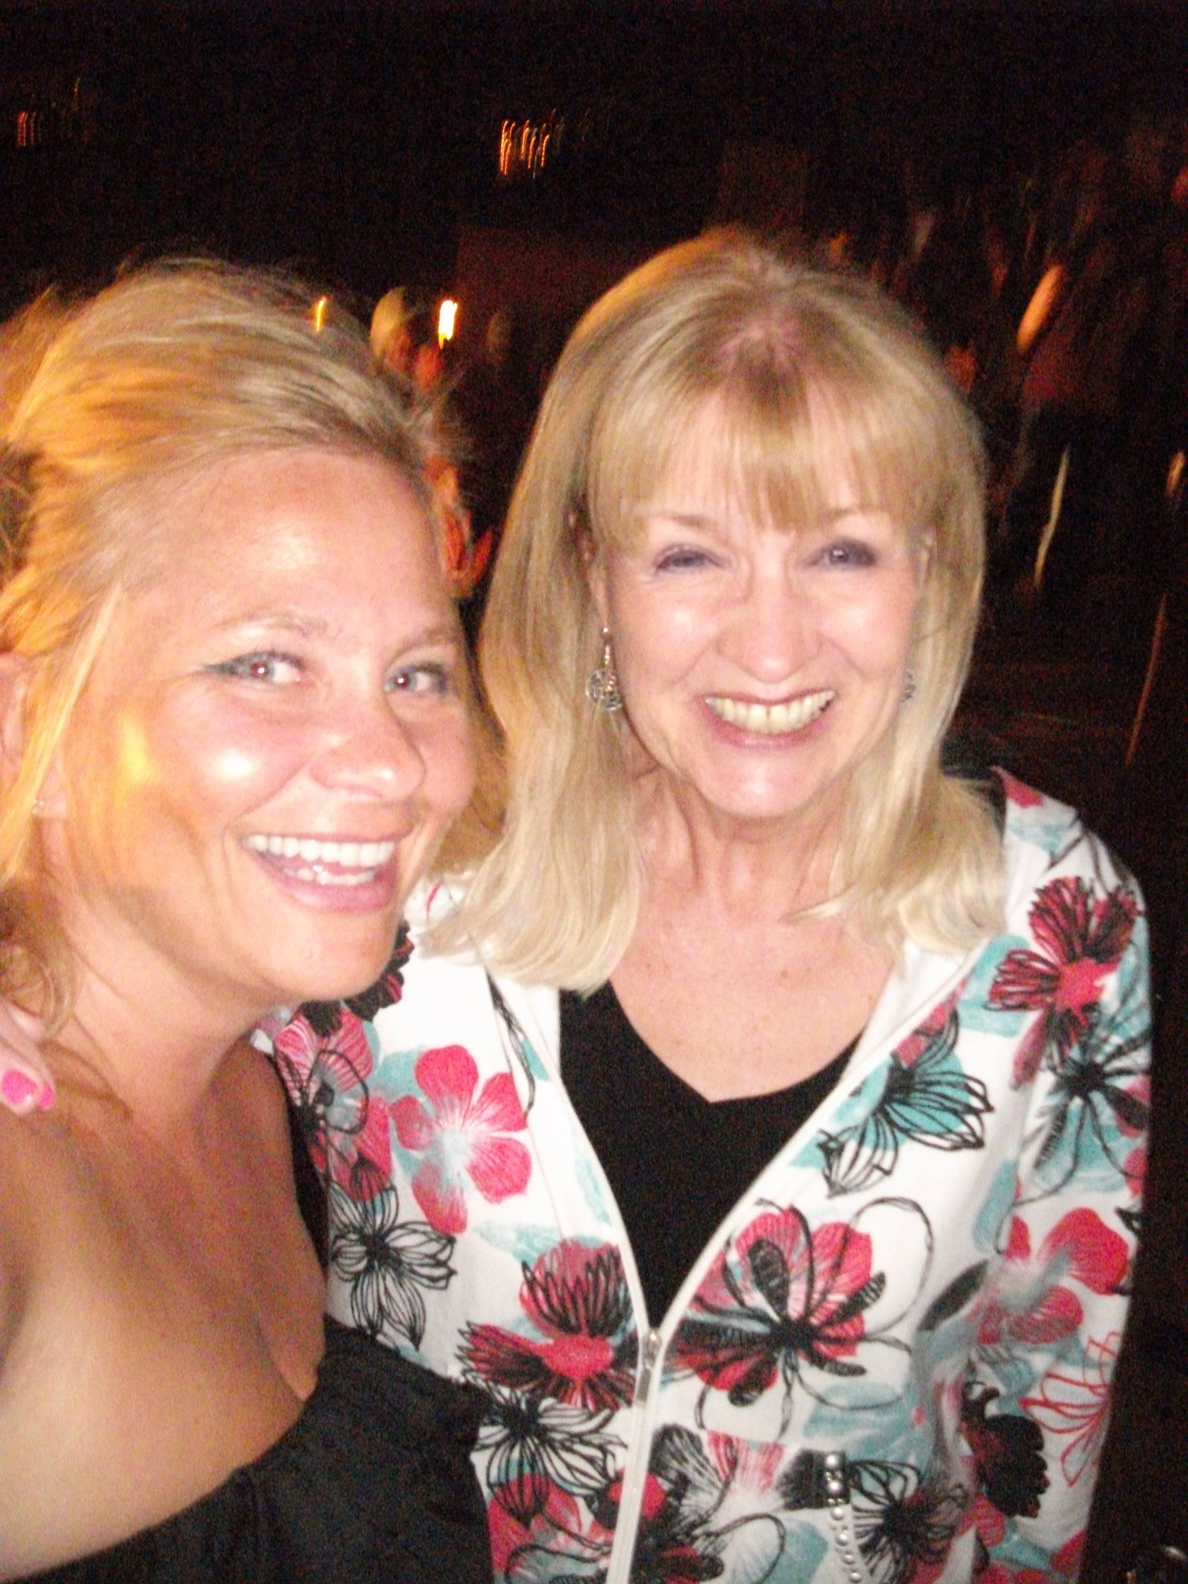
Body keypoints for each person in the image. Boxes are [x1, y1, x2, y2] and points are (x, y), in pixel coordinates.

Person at [2, 236, 1149, 1584]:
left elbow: (1044, 1395)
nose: (770, 646)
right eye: (687, 558)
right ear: (591, 580)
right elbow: (130, 910)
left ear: (936, 577)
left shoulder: (1056, 916)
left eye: (843, 552)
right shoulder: (414, 887)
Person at [0, 263, 496, 1581]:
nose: (393, 763)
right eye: (264, 663)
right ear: (22, 729)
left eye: (417, 672)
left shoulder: (259, 1088)